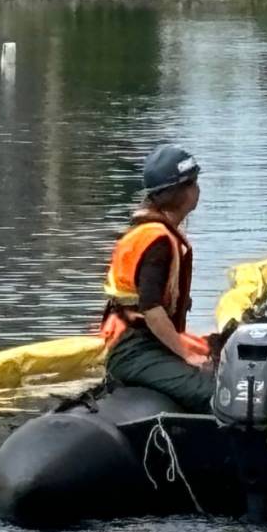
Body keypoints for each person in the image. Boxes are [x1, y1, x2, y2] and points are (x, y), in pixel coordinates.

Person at [99, 142, 219, 409]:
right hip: (134, 349)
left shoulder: (155, 232)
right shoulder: (157, 241)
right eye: (194, 183)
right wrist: (186, 354)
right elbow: (151, 309)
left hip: (145, 342)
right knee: (211, 393)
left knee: (218, 360)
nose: (198, 190)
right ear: (181, 192)